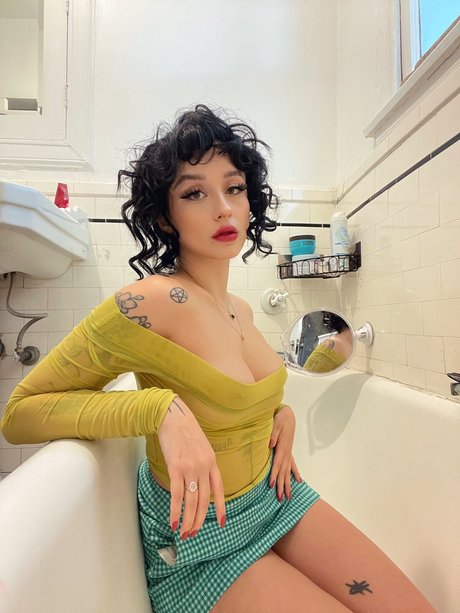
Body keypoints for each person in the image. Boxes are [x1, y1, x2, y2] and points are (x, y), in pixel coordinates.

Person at [1, 105, 435, 613]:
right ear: (165, 217)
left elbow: (232, 396)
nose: (223, 209)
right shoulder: (149, 301)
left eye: (234, 188)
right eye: (194, 193)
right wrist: (157, 409)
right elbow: (20, 413)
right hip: (201, 539)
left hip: (275, 497)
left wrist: (279, 414)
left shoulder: (241, 309)